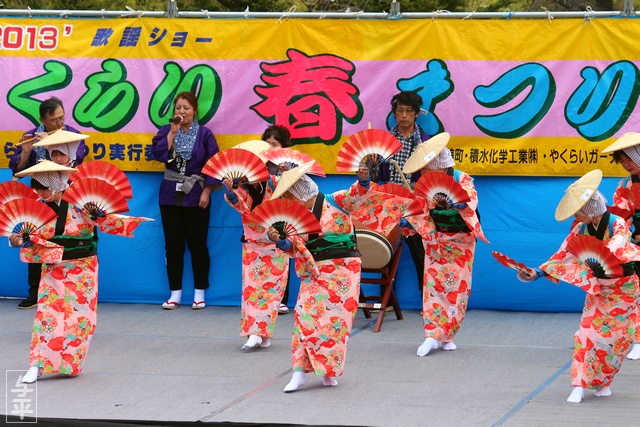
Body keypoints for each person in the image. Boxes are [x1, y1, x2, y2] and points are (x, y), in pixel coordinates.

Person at [9, 160, 147, 384]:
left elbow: (107, 223)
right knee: (47, 315)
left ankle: (69, 363)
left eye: (43, 189)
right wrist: (18, 240)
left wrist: (99, 215)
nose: (39, 193)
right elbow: (30, 237)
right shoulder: (36, 206)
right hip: (54, 267)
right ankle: (37, 364)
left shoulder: (81, 202)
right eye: (37, 189)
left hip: (83, 268)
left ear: (56, 185)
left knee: (81, 318)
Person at [516, 169, 640, 403]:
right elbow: (563, 255)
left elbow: (618, 247)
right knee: (585, 334)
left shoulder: (617, 223)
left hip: (624, 289)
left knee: (617, 342)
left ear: (589, 208)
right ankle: (579, 383)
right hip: (598, 290)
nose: (577, 216)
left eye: (579, 211)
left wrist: (602, 258)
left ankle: (603, 383)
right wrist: (539, 272)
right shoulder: (580, 229)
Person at [266, 166, 373, 393]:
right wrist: (279, 241)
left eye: (288, 195)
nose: (286, 200)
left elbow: (357, 195)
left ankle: (327, 372)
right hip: (314, 273)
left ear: (299, 191)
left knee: (336, 326)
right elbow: (292, 245)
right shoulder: (294, 219)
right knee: (303, 319)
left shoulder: (336, 201)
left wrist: (363, 180)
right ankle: (298, 373)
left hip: (344, 272)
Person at [401, 133, 488, 357]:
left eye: (425, 168)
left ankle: (447, 335)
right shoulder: (424, 185)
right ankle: (431, 334)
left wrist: (454, 203)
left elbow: (470, 203)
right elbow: (419, 210)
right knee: (433, 288)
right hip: (436, 241)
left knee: (457, 291)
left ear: (437, 166)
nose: (422, 172)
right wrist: (408, 219)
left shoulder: (462, 179)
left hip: (461, 242)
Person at [9, 97, 86, 309]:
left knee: (65, 241)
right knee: (35, 241)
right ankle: (35, 293)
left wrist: (48, 143)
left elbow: (75, 159)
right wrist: (26, 152)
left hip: (65, 195)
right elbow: (16, 170)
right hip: (40, 196)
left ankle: (67, 290)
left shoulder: (72, 135)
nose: (60, 123)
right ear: (42, 119)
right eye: (54, 120)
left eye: (62, 118)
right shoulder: (32, 135)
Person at [151, 91, 220, 310]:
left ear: (195, 110)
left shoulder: (205, 134)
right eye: (178, 108)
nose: (182, 112)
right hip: (170, 193)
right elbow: (159, 155)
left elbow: (214, 164)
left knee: (198, 245)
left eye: (186, 108)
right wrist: (172, 133)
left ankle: (199, 293)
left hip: (196, 192)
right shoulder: (165, 131)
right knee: (173, 246)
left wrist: (207, 192)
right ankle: (175, 293)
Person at [375, 91, 430, 292]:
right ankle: (386, 299)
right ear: (394, 114)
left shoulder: (425, 141)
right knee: (386, 249)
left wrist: (420, 185)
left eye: (409, 111)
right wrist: (372, 166)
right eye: (400, 111)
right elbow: (375, 177)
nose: (404, 115)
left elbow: (434, 175)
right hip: (390, 200)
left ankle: (428, 299)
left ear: (416, 114)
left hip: (415, 202)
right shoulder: (384, 141)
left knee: (420, 251)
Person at [601, 132, 640, 360]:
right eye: (622, 161)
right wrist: (621, 238)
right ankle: (636, 339)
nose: (626, 165)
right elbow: (621, 216)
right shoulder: (625, 185)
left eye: (629, 159)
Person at [261, 125, 293, 314]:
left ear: (283, 146)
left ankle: (282, 299)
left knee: (283, 253)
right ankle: (264, 295)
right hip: (262, 211)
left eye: (276, 144)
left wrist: (284, 173)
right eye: (268, 143)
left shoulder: (289, 163)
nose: (272, 147)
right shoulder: (258, 162)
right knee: (262, 257)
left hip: (282, 212)